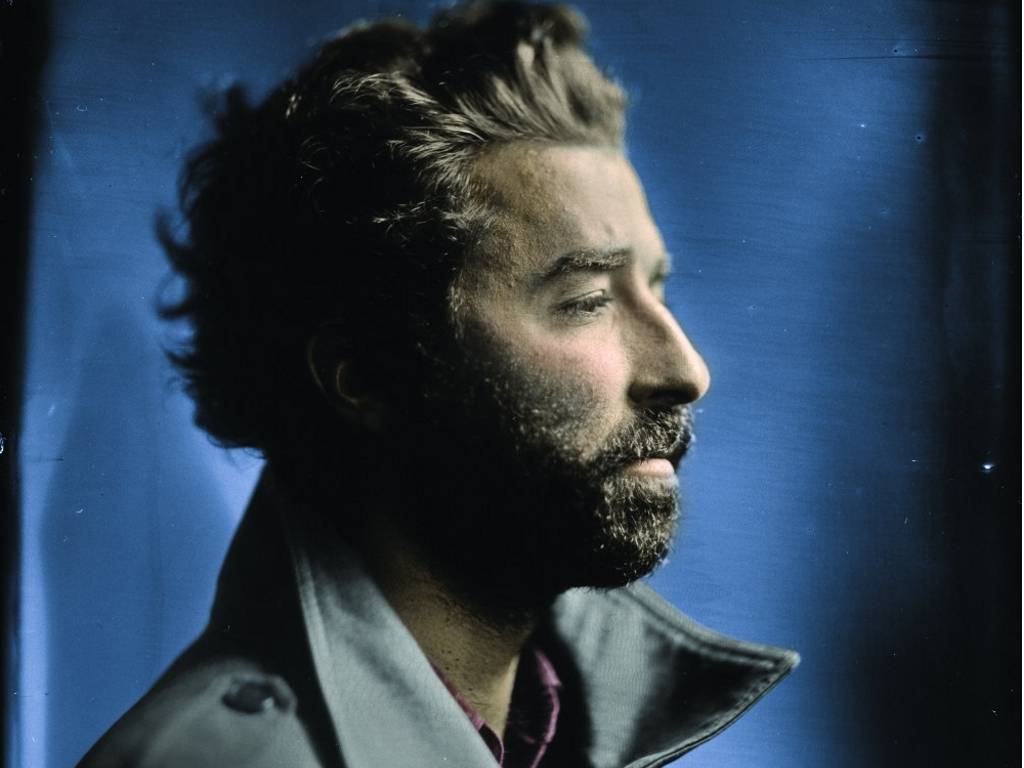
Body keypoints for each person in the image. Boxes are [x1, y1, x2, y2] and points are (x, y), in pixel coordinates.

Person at [79, 2, 797, 766]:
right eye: (587, 300)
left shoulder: (559, 727)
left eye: (656, 289)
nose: (686, 370)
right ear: (368, 375)